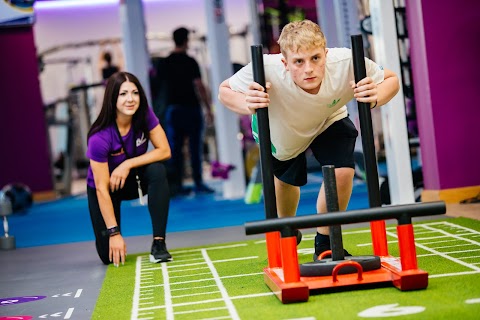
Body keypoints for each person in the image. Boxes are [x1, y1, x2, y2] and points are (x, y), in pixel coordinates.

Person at [218, 20, 400, 260]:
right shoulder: (264, 67)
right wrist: (247, 102)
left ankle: (325, 242)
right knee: (286, 183)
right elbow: (224, 91)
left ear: (325, 54)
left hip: (328, 118)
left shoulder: (346, 61)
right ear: (285, 62)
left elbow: (391, 80)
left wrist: (377, 95)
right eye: (299, 62)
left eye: (315, 58)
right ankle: (288, 229)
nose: (309, 69)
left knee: (343, 172)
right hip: (282, 128)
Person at [86, 71, 172, 267]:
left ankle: (159, 243)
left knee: (157, 170)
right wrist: (113, 233)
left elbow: (165, 150)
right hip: (106, 189)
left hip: (132, 179)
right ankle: (112, 236)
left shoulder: (144, 115)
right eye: (123, 94)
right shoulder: (99, 138)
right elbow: (101, 188)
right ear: (112, 98)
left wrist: (127, 164)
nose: (130, 99)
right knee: (108, 258)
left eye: (135, 93)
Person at [163, 27, 214, 196]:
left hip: (173, 110)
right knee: (195, 148)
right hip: (191, 109)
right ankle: (198, 183)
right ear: (186, 41)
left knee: (175, 150)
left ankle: (176, 186)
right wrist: (208, 108)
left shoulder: (165, 62)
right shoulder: (190, 62)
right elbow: (199, 86)